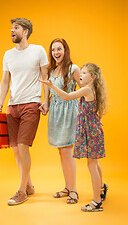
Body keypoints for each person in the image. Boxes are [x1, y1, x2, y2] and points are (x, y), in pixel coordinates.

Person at [0, 18, 49, 206]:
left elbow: (45, 77)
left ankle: (21, 192)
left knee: (23, 146)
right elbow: (5, 81)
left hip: (31, 104)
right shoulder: (8, 55)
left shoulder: (38, 51)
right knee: (16, 149)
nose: (12, 30)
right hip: (12, 106)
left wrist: (46, 101)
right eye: (11, 28)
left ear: (25, 31)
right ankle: (29, 186)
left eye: (16, 28)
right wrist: (0, 102)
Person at [39, 63, 108, 212]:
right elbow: (98, 112)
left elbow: (66, 96)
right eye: (81, 72)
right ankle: (101, 189)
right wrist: (96, 121)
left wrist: (51, 85)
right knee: (94, 164)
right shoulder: (94, 90)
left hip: (90, 132)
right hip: (94, 130)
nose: (80, 75)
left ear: (93, 77)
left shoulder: (86, 89)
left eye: (84, 73)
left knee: (91, 166)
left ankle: (97, 202)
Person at [45, 38, 81, 204]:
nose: (56, 53)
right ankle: (67, 187)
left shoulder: (73, 68)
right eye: (53, 50)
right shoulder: (53, 70)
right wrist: (45, 104)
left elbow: (85, 89)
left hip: (68, 113)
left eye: (59, 49)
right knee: (61, 152)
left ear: (65, 50)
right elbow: (52, 93)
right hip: (55, 112)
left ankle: (73, 190)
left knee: (67, 152)